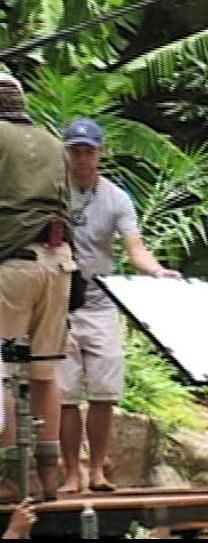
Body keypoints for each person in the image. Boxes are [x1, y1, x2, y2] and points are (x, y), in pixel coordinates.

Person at [57, 118, 180, 493]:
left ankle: (97, 470)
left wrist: (157, 271)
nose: (82, 159)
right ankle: (71, 473)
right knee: (64, 394)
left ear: (101, 153)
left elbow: (135, 248)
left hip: (99, 303)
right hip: (58, 304)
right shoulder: (51, 191)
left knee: (104, 392)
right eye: (75, 151)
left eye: (88, 152)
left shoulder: (116, 198)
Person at [0, 73, 73, 502]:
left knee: (5, 373)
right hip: (58, 262)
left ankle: (12, 479)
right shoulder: (52, 142)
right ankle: (48, 478)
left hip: (14, 266)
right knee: (45, 373)